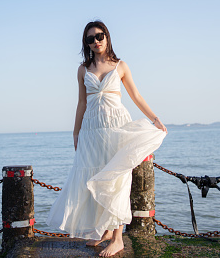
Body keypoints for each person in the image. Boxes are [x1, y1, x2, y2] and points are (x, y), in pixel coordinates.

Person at [46, 21, 167, 257]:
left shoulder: (120, 66)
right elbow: (81, 103)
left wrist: (155, 119)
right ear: (86, 43)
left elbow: (136, 95)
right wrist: (75, 132)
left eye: (99, 36)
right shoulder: (82, 70)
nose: (96, 41)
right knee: (93, 177)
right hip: (91, 130)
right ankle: (106, 231)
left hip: (115, 126)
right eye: (90, 38)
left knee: (115, 179)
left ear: (107, 37)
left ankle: (118, 238)